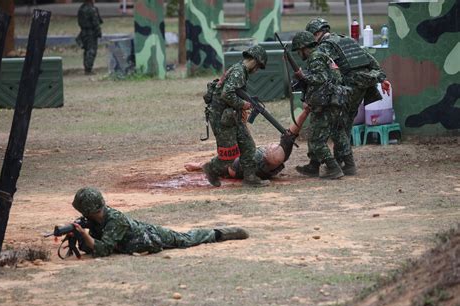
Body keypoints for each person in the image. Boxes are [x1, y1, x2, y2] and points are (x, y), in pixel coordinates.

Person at [305, 17, 391, 175]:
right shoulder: (347, 40)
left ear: (317, 33)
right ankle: (341, 161)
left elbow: (320, 71)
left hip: (349, 87)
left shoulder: (325, 46)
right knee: (346, 124)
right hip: (363, 86)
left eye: (312, 37)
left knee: (338, 125)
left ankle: (347, 164)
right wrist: (382, 79)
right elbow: (370, 60)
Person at [71, 187, 249, 257]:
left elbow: (104, 250)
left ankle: (219, 233)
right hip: (136, 238)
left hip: (150, 235)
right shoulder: (94, 220)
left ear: (88, 210)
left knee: (184, 239)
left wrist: (85, 236)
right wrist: (79, 236)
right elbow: (91, 248)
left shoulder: (114, 219)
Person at [202, 45, 270, 188]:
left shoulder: (239, 69)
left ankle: (250, 177)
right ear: (254, 61)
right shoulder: (239, 71)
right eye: (258, 66)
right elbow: (226, 94)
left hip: (232, 116)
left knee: (249, 146)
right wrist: (243, 104)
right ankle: (212, 168)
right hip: (222, 119)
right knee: (229, 155)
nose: (256, 70)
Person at [291, 31, 352, 179]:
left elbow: (321, 78)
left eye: (299, 51)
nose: (299, 54)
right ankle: (350, 165)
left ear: (304, 47)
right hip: (335, 101)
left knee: (317, 141)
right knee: (338, 133)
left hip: (327, 104)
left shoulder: (315, 57)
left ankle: (334, 169)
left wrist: (303, 76)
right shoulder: (322, 55)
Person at [185, 109, 308, 181]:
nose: (270, 145)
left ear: (265, 156)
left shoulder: (255, 161)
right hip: (245, 165)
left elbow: (242, 149)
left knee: (226, 163)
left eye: (270, 147)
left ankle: (200, 165)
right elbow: (291, 133)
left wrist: (242, 123)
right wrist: (306, 111)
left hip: (235, 167)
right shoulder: (280, 155)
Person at [77, 0, 103, 75]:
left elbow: (79, 21)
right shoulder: (92, 9)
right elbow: (96, 22)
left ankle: (86, 67)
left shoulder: (81, 8)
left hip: (83, 32)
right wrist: (99, 32)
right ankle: (88, 69)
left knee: (87, 50)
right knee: (91, 50)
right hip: (91, 33)